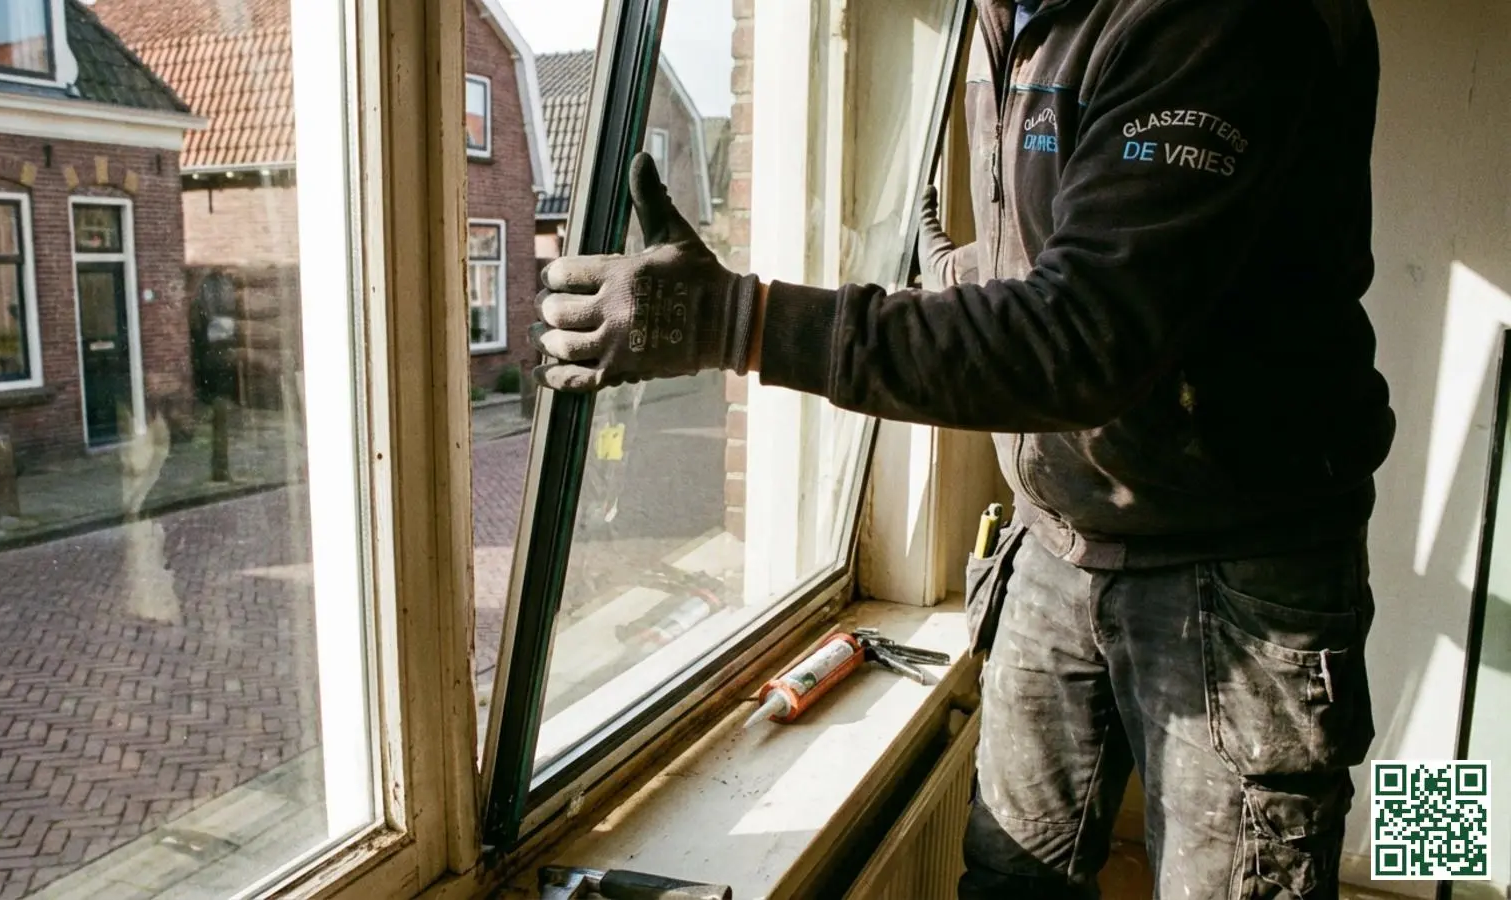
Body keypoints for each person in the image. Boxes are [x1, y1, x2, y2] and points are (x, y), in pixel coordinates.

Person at [530, 0, 1394, 895]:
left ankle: (1451, 868)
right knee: (1008, 881)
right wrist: (961, 270)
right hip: (1061, 535)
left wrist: (740, 321)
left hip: (1238, 551)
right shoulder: (1007, 18)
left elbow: (1092, 333)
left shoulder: (1227, 21)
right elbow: (1095, 251)